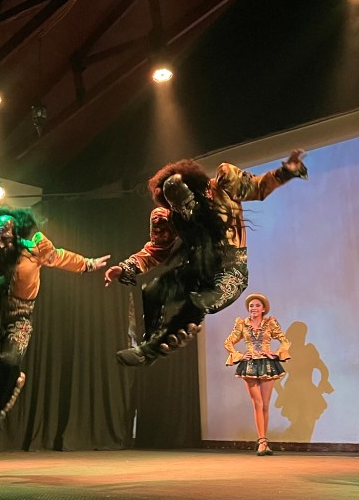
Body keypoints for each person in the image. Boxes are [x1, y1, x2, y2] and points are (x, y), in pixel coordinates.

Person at [105, 149, 308, 366]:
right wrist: (126, 267)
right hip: (196, 269)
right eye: (178, 208)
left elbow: (257, 186)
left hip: (230, 270)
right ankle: (151, 342)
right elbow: (157, 250)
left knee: (199, 302)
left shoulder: (222, 188)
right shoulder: (168, 216)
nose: (185, 212)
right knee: (153, 291)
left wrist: (285, 172)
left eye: (187, 203)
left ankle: (153, 349)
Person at [0, 203, 109, 441]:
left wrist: (88, 264)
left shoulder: (33, 250)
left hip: (19, 316)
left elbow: (60, 257)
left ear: (15, 234)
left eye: (4, 235)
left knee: (8, 361)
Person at [223, 292, 291, 455]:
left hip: (267, 364)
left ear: (263, 309)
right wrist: (239, 355)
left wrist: (276, 354)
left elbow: (284, 341)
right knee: (257, 403)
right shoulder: (242, 324)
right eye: (251, 305)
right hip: (250, 365)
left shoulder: (270, 323)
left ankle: (264, 442)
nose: (253, 308)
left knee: (265, 405)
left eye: (257, 305)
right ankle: (261, 442)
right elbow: (228, 342)